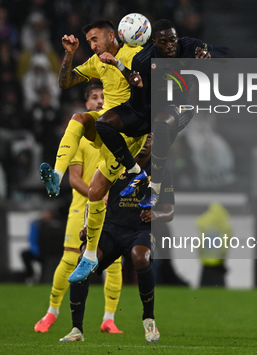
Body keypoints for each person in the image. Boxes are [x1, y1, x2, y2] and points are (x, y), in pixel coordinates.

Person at [39, 19, 147, 283]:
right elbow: (66, 82)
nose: (92, 45)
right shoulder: (96, 60)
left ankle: (89, 257)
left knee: (96, 192)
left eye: (95, 39)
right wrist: (69, 54)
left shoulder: (134, 54)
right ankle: (57, 175)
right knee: (78, 118)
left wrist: (118, 65)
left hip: (128, 133)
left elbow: (145, 85)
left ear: (112, 36)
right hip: (106, 124)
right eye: (88, 41)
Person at [95, 19, 231, 208]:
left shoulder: (190, 46)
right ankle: (135, 171)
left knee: (160, 124)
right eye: (164, 42)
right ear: (154, 43)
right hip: (147, 108)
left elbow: (227, 53)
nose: (170, 45)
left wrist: (210, 54)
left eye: (173, 40)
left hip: (180, 106)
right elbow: (137, 103)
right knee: (103, 123)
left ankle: (154, 188)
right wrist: (139, 87)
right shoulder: (142, 60)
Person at [60, 133, 174, 343]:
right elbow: (93, 196)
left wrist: (155, 214)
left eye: (149, 138)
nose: (145, 142)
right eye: (141, 138)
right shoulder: (115, 164)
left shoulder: (161, 170)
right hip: (111, 230)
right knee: (84, 258)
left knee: (140, 256)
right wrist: (87, 226)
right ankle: (76, 329)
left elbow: (169, 211)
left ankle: (149, 319)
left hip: (140, 231)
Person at [34, 84, 124, 334]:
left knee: (114, 263)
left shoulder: (117, 133)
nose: (99, 101)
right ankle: (52, 312)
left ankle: (109, 318)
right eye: (94, 98)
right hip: (81, 207)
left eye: (103, 97)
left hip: (109, 209)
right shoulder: (82, 136)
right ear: (87, 104)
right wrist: (98, 195)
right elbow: (74, 179)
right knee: (71, 258)